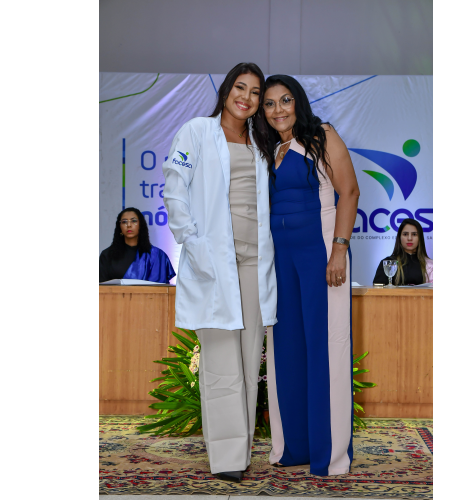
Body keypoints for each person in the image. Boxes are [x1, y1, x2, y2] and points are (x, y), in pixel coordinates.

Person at [161, 62, 277, 483]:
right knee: (220, 362)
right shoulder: (196, 131)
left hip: (254, 264)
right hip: (213, 264)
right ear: (226, 90)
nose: (246, 97)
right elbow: (174, 188)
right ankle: (227, 459)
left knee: (247, 361)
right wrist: (191, 242)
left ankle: (240, 451)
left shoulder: (261, 142)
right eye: (240, 88)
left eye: (255, 92)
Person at [259, 75, 360, 476]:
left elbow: (349, 192)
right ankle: (294, 447)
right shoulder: (269, 149)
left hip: (321, 256)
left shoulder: (321, 135)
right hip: (280, 260)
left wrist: (339, 251)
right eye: (269, 103)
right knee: (285, 351)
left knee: (325, 348)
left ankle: (329, 454)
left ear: (298, 101)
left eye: (285, 100)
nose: (278, 109)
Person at [99, 207, 175, 283]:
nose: (129, 225)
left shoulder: (158, 255)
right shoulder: (107, 255)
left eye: (134, 221)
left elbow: (162, 288)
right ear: (120, 227)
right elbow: (102, 287)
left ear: (140, 225)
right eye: (124, 222)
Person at [373, 218, 433, 285]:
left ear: (420, 238)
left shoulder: (430, 265)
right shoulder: (387, 263)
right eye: (405, 234)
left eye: (414, 234)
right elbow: (377, 289)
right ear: (399, 237)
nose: (409, 238)